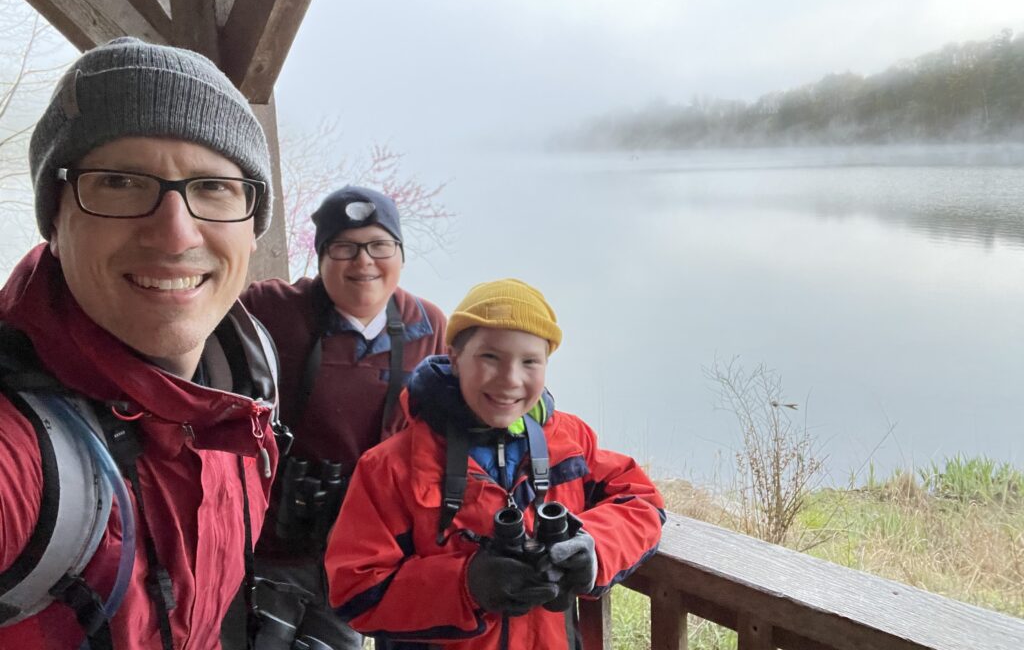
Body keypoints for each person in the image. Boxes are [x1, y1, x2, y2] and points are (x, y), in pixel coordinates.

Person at [0, 37, 280, 649]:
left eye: (214, 187)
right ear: (55, 220)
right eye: (122, 181)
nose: (175, 234)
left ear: (252, 228)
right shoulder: (17, 453)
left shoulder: (243, 384)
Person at [323, 278, 665, 649]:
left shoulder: (570, 441)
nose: (509, 380)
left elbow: (641, 501)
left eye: (529, 361)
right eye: (490, 357)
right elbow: (355, 590)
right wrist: (466, 584)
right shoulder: (390, 467)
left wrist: (594, 550)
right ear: (454, 357)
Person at [242, 186, 447, 648]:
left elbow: (471, 399)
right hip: (278, 540)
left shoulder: (427, 325)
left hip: (366, 544)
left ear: (400, 253)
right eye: (344, 248)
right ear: (320, 257)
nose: (364, 262)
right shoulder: (272, 308)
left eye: (379, 246)